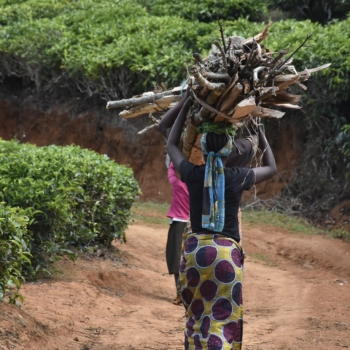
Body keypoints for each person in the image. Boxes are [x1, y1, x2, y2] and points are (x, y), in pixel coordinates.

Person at [167, 94, 276, 350]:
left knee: (195, 317)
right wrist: (262, 133)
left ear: (203, 149)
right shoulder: (237, 176)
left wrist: (186, 104)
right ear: (229, 150)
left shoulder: (192, 174)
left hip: (195, 252)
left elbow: (171, 143)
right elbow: (271, 168)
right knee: (223, 317)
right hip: (226, 254)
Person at [166, 158, 190, 305]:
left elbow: (170, 172)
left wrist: (174, 161)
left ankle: (180, 293)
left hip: (178, 224)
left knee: (176, 260)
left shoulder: (177, 184)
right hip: (192, 225)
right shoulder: (197, 187)